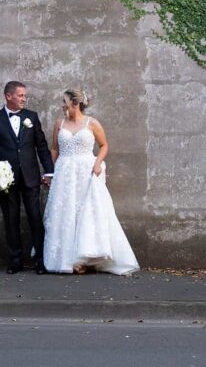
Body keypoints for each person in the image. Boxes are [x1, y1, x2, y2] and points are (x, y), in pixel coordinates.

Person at [42, 88, 139, 275]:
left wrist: (97, 163)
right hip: (65, 173)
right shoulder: (59, 123)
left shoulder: (92, 123)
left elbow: (104, 145)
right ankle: (68, 259)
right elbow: (54, 149)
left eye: (65, 101)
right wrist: (52, 171)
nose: (62, 105)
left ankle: (85, 258)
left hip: (86, 171)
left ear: (75, 104)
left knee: (86, 212)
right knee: (66, 213)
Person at [0, 81, 55, 274]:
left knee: (35, 218)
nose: (24, 99)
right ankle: (15, 261)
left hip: (31, 177)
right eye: (21, 95)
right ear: (9, 96)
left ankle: (41, 261)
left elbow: (41, 146)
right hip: (6, 181)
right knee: (11, 219)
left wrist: (49, 171)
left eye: (24, 96)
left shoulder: (31, 117)